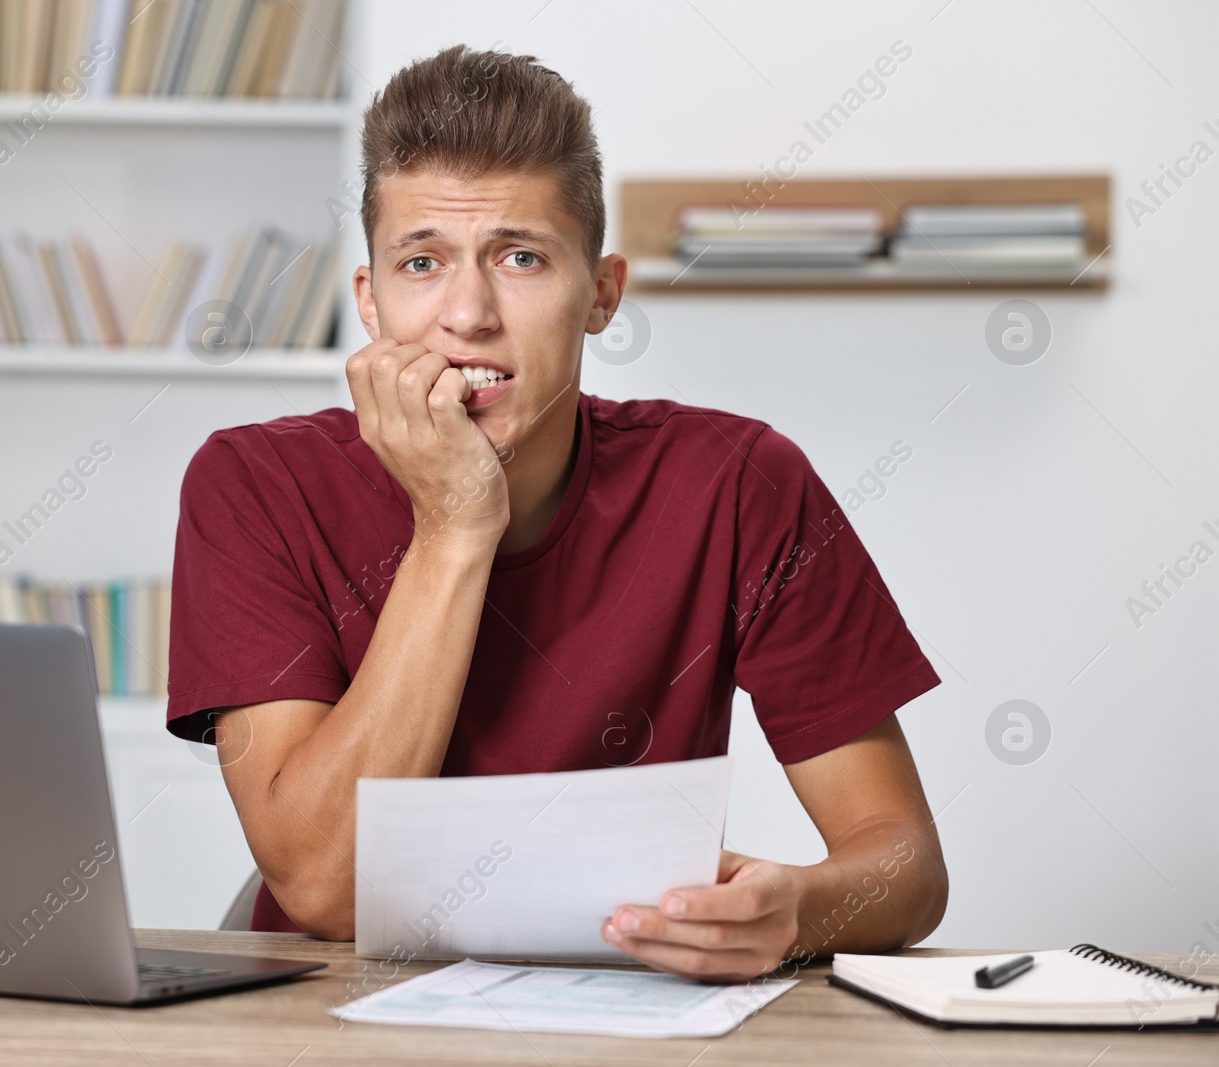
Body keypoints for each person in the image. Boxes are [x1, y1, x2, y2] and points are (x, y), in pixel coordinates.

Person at [167, 45, 947, 982]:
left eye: (522, 257)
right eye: (423, 262)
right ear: (370, 303)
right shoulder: (255, 484)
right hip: (323, 1011)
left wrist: (798, 908)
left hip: (630, 999)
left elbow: (903, 860)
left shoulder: (741, 485)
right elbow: (327, 886)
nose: (468, 313)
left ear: (602, 294)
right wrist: (456, 525)